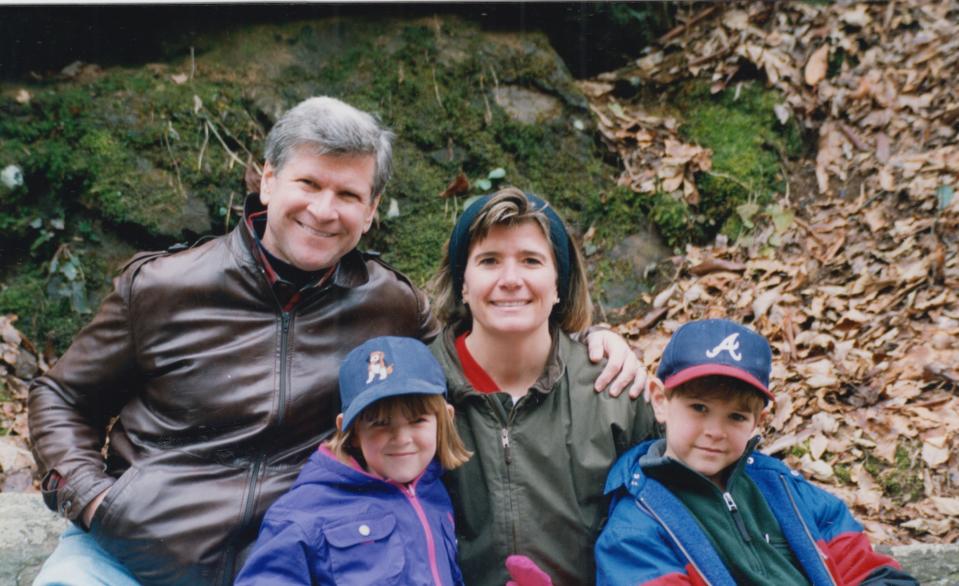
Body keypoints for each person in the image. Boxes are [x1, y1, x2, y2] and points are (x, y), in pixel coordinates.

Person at [28, 96, 644, 585]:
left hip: (293, 557)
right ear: (267, 181)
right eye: (309, 184)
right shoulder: (163, 285)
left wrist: (589, 339)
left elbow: (490, 330)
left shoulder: (387, 303)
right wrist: (93, 499)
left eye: (348, 194)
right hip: (125, 555)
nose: (325, 211)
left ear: (372, 210)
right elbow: (60, 395)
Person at [428, 187, 659, 586]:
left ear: (558, 285)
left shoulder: (612, 388)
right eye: (489, 261)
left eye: (531, 261)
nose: (511, 280)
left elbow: (665, 522)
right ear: (463, 284)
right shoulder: (419, 388)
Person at [595, 319, 918, 586]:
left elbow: (870, 571)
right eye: (699, 408)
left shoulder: (787, 490)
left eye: (736, 416)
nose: (715, 431)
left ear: (757, 422)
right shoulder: (634, 530)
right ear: (661, 401)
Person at [235, 336, 470, 585]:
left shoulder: (436, 493)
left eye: (418, 420)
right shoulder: (304, 511)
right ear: (351, 431)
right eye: (380, 423)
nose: (402, 439)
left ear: (445, 418)